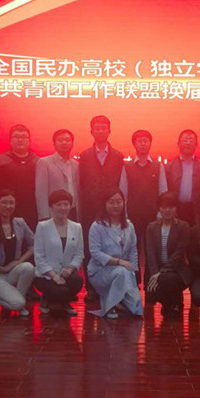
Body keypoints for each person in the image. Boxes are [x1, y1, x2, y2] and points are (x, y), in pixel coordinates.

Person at [79, 115, 126, 303]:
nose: (100, 131)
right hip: (90, 209)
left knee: (111, 246)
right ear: (91, 131)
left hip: (112, 210)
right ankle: (91, 288)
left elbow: (121, 184)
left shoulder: (118, 156)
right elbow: (81, 183)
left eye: (103, 128)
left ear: (109, 131)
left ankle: (111, 286)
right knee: (90, 249)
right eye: (96, 128)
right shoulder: (84, 156)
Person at [0, 190, 35, 316]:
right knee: (17, 304)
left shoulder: (20, 223)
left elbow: (33, 244)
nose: (8, 206)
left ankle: (18, 301)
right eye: (4, 202)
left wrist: (19, 261)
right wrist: (1, 269)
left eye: (11, 203)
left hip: (11, 272)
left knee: (28, 267)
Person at [87, 188, 141, 319]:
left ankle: (118, 302)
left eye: (118, 201)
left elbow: (133, 250)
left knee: (137, 307)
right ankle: (109, 307)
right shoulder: (97, 226)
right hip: (101, 270)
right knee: (121, 272)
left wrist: (134, 272)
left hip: (124, 271)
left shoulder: (129, 225)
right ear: (104, 204)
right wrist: (118, 262)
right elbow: (95, 252)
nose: (115, 205)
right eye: (111, 202)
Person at [33, 190, 84, 316]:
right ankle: (47, 298)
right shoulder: (43, 226)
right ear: (51, 206)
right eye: (58, 204)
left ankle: (64, 301)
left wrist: (70, 269)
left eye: (66, 204)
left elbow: (79, 254)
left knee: (77, 281)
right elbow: (39, 256)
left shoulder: (77, 227)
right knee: (59, 290)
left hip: (66, 273)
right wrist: (54, 276)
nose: (63, 207)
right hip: (46, 275)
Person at [120, 129, 168, 255]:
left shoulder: (158, 166)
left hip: (153, 215)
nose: (143, 144)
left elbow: (163, 193)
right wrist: (124, 214)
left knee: (152, 250)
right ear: (134, 144)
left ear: (150, 143)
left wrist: (160, 213)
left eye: (145, 141)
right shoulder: (127, 166)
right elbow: (123, 192)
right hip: (132, 214)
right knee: (132, 250)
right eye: (139, 141)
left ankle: (150, 270)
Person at [145, 192, 191, 317]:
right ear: (159, 208)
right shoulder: (151, 227)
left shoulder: (183, 226)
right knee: (152, 287)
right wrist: (154, 273)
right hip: (157, 268)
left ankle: (175, 303)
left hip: (176, 269)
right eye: (164, 207)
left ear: (176, 208)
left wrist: (161, 272)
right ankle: (168, 303)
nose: (167, 210)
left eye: (171, 207)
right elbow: (150, 253)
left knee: (166, 279)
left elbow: (179, 253)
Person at [0, 124, 40, 230]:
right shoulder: (1, 160)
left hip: (33, 211)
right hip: (7, 211)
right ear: (10, 140)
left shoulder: (38, 162)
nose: (20, 140)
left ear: (29, 141)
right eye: (16, 137)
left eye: (23, 137)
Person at [166, 129, 200, 224]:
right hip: (175, 209)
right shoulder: (169, 167)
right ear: (178, 144)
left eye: (191, 141)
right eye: (185, 140)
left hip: (196, 209)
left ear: (196, 145)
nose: (188, 143)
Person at [35, 129, 80, 221]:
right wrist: (44, 216)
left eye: (67, 140)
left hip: (73, 211)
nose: (64, 142)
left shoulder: (76, 165)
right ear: (54, 144)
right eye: (60, 140)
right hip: (53, 213)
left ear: (72, 144)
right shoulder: (44, 163)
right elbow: (41, 193)